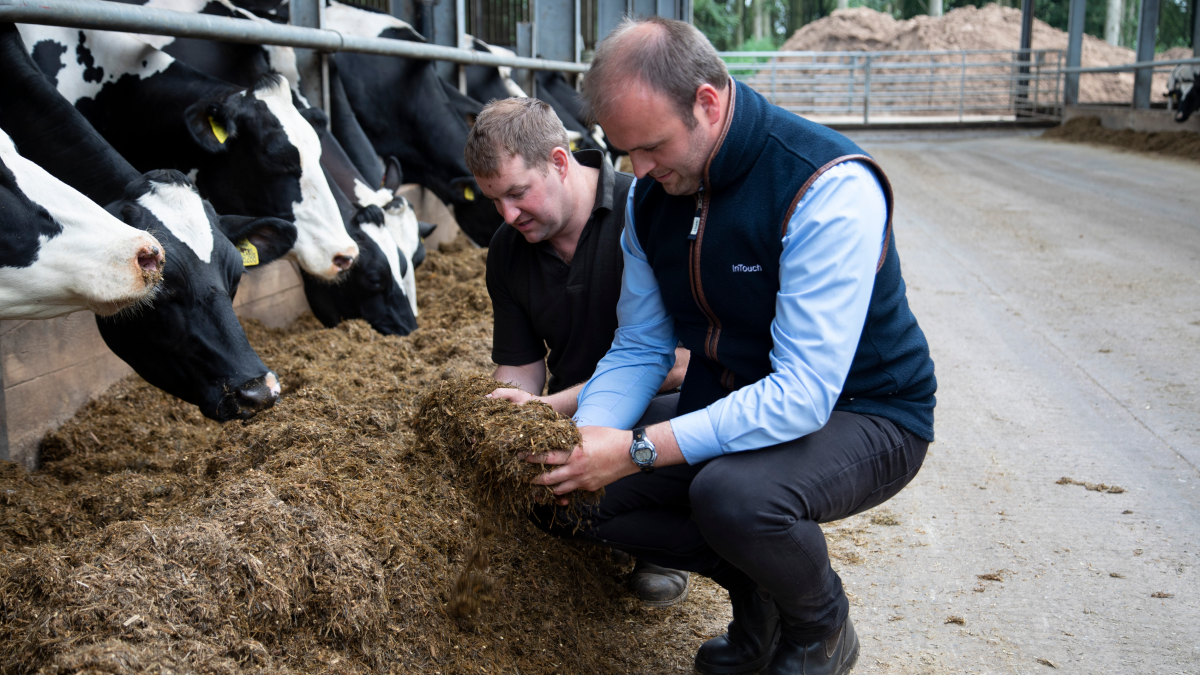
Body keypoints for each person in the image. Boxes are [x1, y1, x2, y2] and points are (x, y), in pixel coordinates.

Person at [523, 18, 937, 675]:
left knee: (734, 496)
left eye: (652, 146)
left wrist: (633, 450)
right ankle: (759, 598)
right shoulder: (651, 200)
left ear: (708, 103)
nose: (641, 170)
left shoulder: (823, 185)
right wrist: (593, 442)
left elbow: (802, 395)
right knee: (558, 489)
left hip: (865, 410)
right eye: (625, 151)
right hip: (735, 394)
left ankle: (819, 625)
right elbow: (638, 345)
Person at [464, 97, 692, 607]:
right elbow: (521, 367)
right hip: (573, 417)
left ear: (560, 161)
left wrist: (550, 410)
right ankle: (606, 529)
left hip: (663, 408)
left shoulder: (649, 208)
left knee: (675, 440)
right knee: (535, 488)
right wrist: (501, 420)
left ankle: (666, 547)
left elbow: (680, 363)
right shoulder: (507, 248)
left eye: (518, 193)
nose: (508, 214)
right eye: (494, 200)